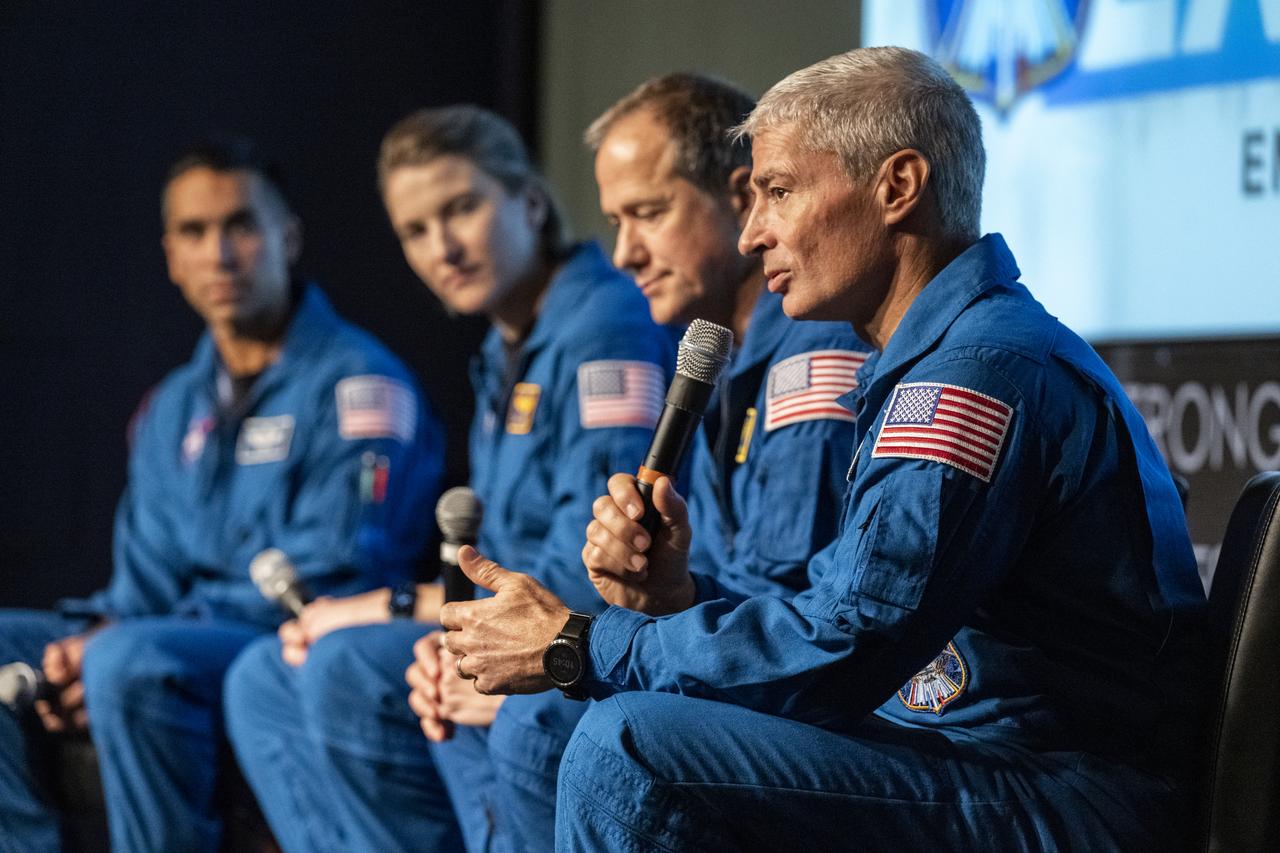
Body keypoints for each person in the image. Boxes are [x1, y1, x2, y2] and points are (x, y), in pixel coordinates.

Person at [437, 47, 1207, 851]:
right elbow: (845, 614)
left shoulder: (976, 372)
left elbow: (851, 641)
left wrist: (579, 644)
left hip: (1064, 790)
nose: (752, 231)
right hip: (972, 756)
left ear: (897, 187)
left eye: (778, 191)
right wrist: (681, 594)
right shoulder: (937, 356)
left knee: (627, 743)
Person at [400, 73, 871, 850]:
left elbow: (786, 611)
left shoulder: (805, 352)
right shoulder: (716, 355)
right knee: (454, 687)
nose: (626, 252)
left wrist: (570, 651)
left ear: (742, 197)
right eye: (617, 220)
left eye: (648, 213)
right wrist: (655, 593)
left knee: (538, 716)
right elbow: (716, 595)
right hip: (737, 665)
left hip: (839, 711)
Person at [222, 105, 675, 853]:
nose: (443, 247)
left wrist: (393, 603)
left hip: (584, 637)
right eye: (415, 230)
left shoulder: (603, 327)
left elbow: (594, 568)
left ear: (528, 203)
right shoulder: (507, 344)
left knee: (345, 661)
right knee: (263, 676)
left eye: (461, 209)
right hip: (509, 617)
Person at [0, 140, 444, 852]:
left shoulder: (363, 386)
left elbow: (337, 572)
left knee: (126, 660)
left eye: (241, 225)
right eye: (194, 233)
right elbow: (139, 583)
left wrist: (117, 643)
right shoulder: (170, 406)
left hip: (294, 639)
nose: (220, 254)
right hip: (160, 630)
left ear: (287, 238)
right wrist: (88, 638)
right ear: (171, 255)